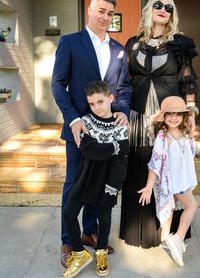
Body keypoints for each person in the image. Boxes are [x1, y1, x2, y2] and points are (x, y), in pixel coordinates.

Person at [51, 0, 131, 267]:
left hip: (107, 131)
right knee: (74, 183)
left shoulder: (119, 48)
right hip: (79, 129)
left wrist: (121, 109)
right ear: (90, 10)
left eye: (110, 13)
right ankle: (67, 240)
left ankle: (90, 232)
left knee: (98, 184)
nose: (105, 17)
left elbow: (123, 87)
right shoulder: (70, 42)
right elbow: (57, 84)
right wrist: (73, 119)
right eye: (101, 11)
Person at [120, 0, 200, 248]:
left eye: (168, 7)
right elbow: (124, 80)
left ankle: (172, 233)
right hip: (138, 116)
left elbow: (188, 80)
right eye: (158, 5)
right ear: (148, 10)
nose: (163, 9)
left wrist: (191, 113)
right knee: (141, 166)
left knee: (170, 170)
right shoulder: (133, 43)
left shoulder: (179, 45)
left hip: (170, 118)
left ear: (172, 14)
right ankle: (141, 231)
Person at [62, 81, 129, 278]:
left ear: (111, 98)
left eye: (100, 101)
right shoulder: (86, 122)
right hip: (85, 176)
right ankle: (79, 253)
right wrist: (115, 148)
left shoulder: (121, 125)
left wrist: (114, 185)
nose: (96, 107)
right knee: (68, 213)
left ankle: (100, 252)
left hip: (107, 180)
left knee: (104, 218)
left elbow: (121, 162)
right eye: (92, 104)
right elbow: (88, 150)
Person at [138, 96, 200, 266]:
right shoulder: (163, 138)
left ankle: (166, 239)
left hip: (183, 178)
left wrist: (199, 153)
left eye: (178, 114)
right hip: (175, 182)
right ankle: (177, 239)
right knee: (192, 206)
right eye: (169, 114)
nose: (173, 117)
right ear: (163, 116)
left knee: (169, 210)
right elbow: (154, 163)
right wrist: (149, 187)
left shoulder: (185, 133)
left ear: (184, 116)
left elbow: (190, 147)